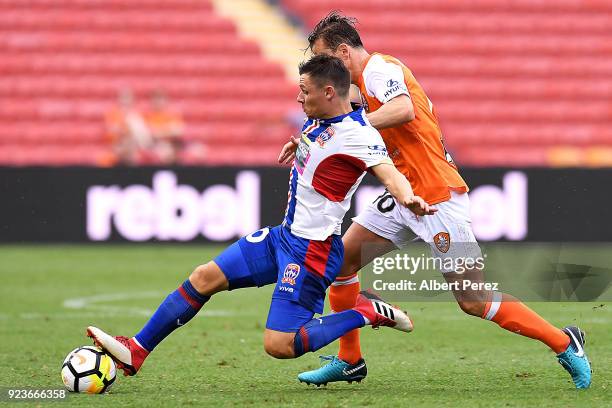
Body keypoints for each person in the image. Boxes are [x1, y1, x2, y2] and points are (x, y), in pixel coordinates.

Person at [279, 12, 590, 389]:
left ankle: (564, 342)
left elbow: (403, 109)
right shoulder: (360, 85)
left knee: (473, 299)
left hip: (437, 197)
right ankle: (350, 360)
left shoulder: (380, 68)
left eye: (326, 59)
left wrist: (348, 126)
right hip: (403, 197)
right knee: (341, 263)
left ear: (344, 52)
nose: (324, 70)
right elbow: (346, 128)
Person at [85, 54, 437, 377]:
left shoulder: (360, 136)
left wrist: (409, 199)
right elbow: (330, 134)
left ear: (329, 92)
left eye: (304, 91)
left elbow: (389, 173)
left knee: (279, 345)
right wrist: (301, 144)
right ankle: (137, 350)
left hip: (312, 252)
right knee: (204, 277)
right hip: (282, 238)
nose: (299, 98)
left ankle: (366, 313)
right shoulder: (321, 119)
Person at [144, 90, 185, 165]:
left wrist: (159, 131)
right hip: (154, 145)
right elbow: (149, 134)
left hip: (171, 144)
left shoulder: (172, 115)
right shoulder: (147, 116)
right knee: (164, 150)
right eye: (156, 100)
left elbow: (178, 131)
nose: (158, 102)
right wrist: (167, 130)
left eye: (161, 99)